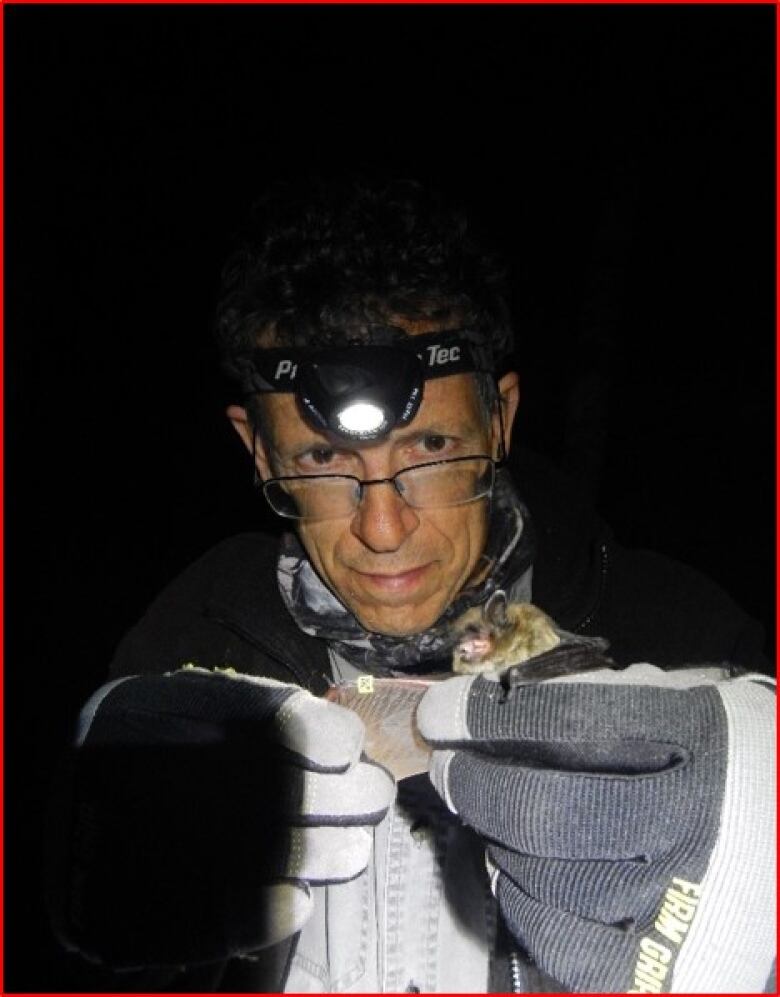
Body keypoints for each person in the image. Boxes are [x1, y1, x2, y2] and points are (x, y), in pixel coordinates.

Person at [49, 178, 775, 993]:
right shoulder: (182, 645)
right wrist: (77, 874)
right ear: (258, 450)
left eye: (431, 447)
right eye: (325, 462)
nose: (382, 528)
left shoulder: (687, 638)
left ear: (499, 420)